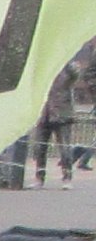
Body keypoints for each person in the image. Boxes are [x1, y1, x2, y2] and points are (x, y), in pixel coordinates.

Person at [31, 61, 80, 190]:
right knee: (39, 148)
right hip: (44, 114)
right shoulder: (41, 71)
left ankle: (67, 177)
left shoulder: (67, 68)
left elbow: (75, 73)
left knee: (64, 148)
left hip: (62, 114)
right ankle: (39, 178)